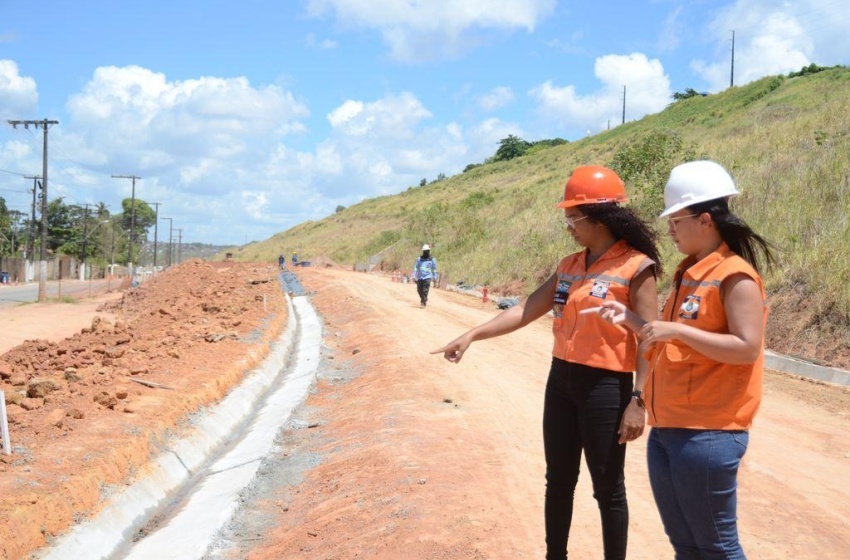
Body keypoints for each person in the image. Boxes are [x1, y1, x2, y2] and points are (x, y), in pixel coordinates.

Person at [432, 165, 661, 559]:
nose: (569, 226)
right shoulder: (570, 265)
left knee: (608, 488)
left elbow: (650, 339)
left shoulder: (636, 268)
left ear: (599, 218)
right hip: (562, 382)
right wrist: (472, 334)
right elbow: (525, 309)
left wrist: (638, 401)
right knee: (558, 480)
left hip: (606, 387)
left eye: (573, 218)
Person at [585, 160, 776, 559]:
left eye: (676, 220)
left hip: (709, 433)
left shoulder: (735, 277)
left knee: (717, 547)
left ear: (704, 219)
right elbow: (671, 342)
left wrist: (677, 331)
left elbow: (746, 348)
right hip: (670, 428)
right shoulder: (688, 273)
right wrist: (633, 320)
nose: (669, 230)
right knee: (686, 545)